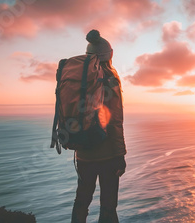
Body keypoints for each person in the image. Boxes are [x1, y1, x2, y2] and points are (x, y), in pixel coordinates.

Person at [71, 29, 127, 223]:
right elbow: (115, 121)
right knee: (108, 205)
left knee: (81, 200)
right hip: (108, 155)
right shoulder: (110, 79)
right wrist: (120, 155)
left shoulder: (80, 78)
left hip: (83, 152)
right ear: (110, 55)